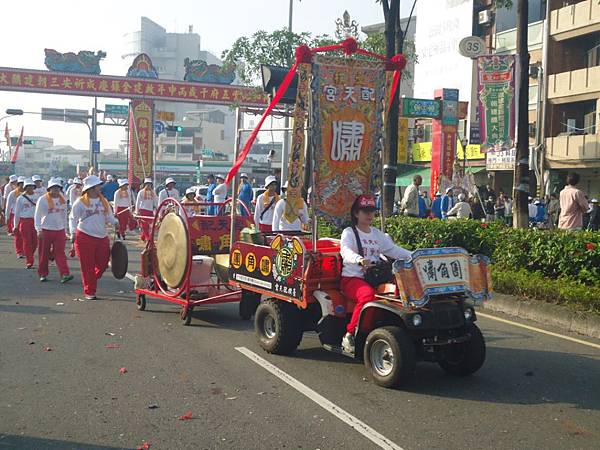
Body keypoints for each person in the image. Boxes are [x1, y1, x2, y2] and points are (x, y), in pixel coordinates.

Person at [340, 194, 412, 354]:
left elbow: (394, 250)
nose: (369, 215)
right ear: (356, 213)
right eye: (365, 211)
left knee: (404, 290)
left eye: (372, 211)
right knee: (367, 296)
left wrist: (415, 255)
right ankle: (350, 334)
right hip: (353, 278)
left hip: (376, 276)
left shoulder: (377, 234)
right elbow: (345, 251)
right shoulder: (349, 232)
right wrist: (360, 260)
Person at [69, 175, 118, 300]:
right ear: (91, 188)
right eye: (98, 185)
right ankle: (90, 291)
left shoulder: (103, 201)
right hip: (84, 236)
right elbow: (73, 218)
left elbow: (108, 217)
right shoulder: (80, 202)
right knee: (87, 266)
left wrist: (115, 222)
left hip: (102, 237)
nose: (100, 187)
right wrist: (73, 233)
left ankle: (91, 279)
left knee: (102, 264)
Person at [35, 178, 73, 283]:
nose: (56, 190)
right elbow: (37, 215)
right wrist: (38, 229)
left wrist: (66, 231)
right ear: (49, 189)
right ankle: (43, 273)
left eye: (58, 188)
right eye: (53, 188)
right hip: (45, 230)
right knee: (44, 253)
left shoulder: (63, 200)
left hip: (59, 230)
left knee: (60, 253)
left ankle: (65, 274)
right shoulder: (42, 199)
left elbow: (64, 215)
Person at [13, 179, 39, 268]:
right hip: (24, 221)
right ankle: (29, 261)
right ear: (25, 188)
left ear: (34, 187)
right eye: (28, 186)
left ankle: (29, 254)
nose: (30, 188)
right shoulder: (20, 198)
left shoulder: (38, 197)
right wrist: (15, 226)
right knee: (27, 242)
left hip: (36, 222)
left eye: (31, 186)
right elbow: (17, 213)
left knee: (35, 242)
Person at [5, 177, 25, 256]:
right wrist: (7, 217)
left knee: (25, 235)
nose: (23, 185)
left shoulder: (30, 193)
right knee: (18, 234)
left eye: (24, 184)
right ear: (18, 184)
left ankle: (25, 249)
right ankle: (19, 251)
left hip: (25, 217)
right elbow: (8, 206)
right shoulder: (13, 193)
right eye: (21, 184)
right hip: (14, 215)